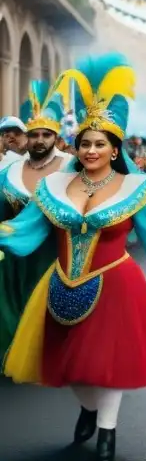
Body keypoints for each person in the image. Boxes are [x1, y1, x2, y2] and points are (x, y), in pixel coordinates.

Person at [0, 54, 146, 461]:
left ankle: (107, 429)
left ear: (114, 148)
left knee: (108, 365)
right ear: (76, 146)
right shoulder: (55, 185)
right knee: (71, 368)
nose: (91, 149)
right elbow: (27, 228)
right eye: (84, 142)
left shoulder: (132, 187)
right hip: (62, 283)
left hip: (117, 284)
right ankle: (89, 408)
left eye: (100, 143)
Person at [0, 80, 73, 357]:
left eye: (46, 134)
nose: (39, 140)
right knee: (12, 307)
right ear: (24, 138)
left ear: (56, 138)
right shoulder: (10, 170)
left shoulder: (70, 167)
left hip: (56, 255)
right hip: (15, 255)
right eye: (33, 135)